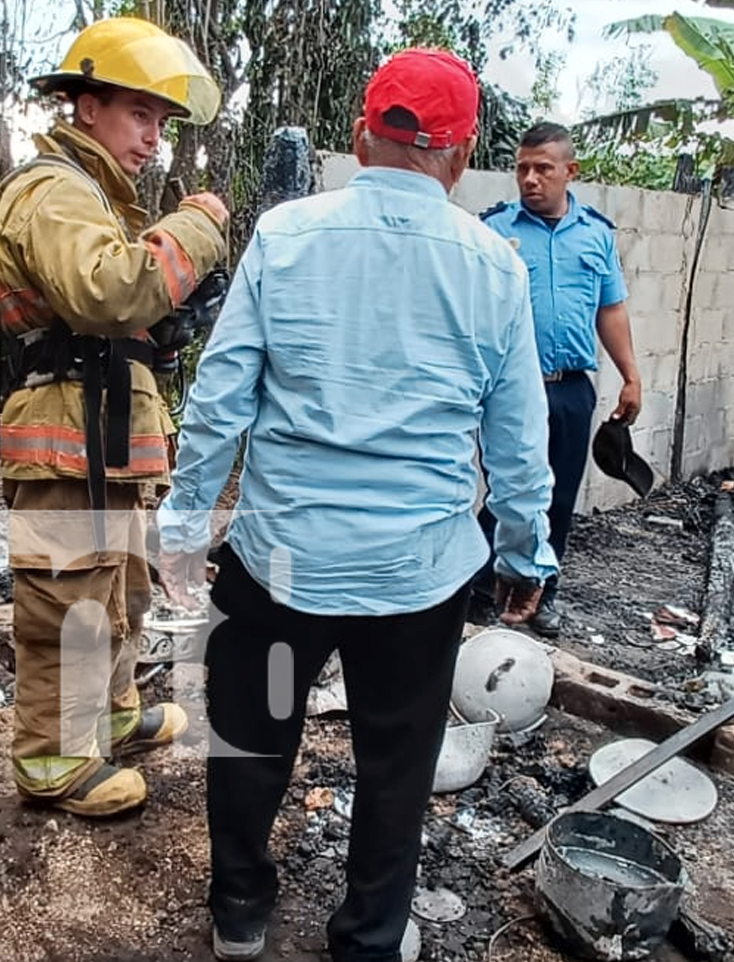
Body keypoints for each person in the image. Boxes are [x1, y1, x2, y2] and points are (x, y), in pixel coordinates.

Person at [157, 49, 558, 962]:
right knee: (396, 764)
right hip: (419, 577)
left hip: (280, 562)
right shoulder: (495, 265)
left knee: (251, 737)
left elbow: (221, 398)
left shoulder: (286, 236)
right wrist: (525, 552)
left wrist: (182, 527)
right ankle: (370, 937)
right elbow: (516, 438)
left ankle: (240, 911)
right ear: (462, 159)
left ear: (358, 137)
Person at [0, 16, 230, 818]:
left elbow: (123, 315)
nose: (153, 139)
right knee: (68, 603)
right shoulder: (53, 190)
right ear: (85, 105)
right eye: (140, 115)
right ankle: (53, 763)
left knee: (117, 589)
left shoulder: (95, 199)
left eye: (161, 122)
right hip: (62, 441)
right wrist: (199, 222)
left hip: (104, 442)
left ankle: (114, 718)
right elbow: (107, 290)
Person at [473, 121, 642, 635]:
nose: (529, 179)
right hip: (508, 390)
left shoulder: (595, 234)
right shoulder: (494, 231)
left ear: (570, 171)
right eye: (522, 168)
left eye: (543, 169)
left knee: (560, 497)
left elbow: (610, 309)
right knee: (507, 493)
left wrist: (631, 376)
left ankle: (544, 591)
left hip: (570, 387)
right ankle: (482, 589)